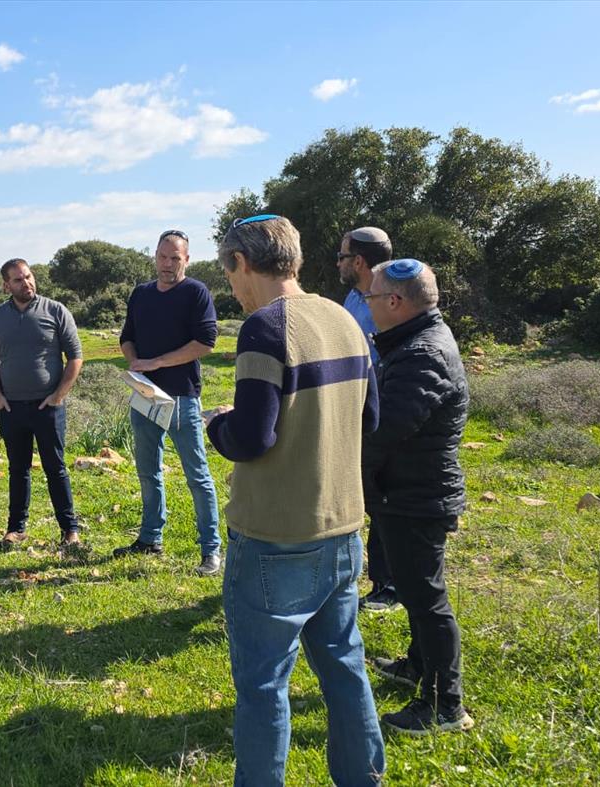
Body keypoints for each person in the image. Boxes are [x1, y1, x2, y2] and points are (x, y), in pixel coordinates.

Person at [204, 214, 384, 785]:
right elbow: (371, 417)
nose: (230, 288)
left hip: (274, 535)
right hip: (342, 529)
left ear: (242, 264)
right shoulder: (345, 318)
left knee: (262, 686)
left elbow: (253, 439)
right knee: (345, 667)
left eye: (228, 273)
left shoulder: (263, 328)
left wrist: (217, 427)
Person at [361, 258, 475, 735]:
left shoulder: (423, 354)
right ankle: (416, 666)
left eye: (370, 298)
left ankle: (444, 705)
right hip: (403, 491)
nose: (366, 307)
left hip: (417, 495)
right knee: (412, 589)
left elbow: (385, 430)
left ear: (394, 302)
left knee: (427, 599)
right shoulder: (412, 341)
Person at [113, 228, 223, 575]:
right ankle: (150, 538)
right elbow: (127, 337)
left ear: (187, 260)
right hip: (145, 395)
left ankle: (211, 551)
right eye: (162, 256)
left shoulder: (196, 292)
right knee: (148, 471)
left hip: (181, 398)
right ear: (155, 257)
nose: (167, 264)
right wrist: (134, 360)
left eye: (175, 258)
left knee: (197, 476)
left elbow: (206, 342)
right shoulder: (141, 294)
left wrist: (156, 362)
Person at [0, 258, 84, 548]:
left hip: (47, 407)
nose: (26, 283)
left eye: (28, 277)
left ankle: (69, 529)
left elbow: (75, 357)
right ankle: (16, 528)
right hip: (11, 407)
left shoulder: (55, 310)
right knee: (18, 469)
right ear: (6, 285)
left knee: (56, 468)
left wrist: (58, 396)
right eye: (18, 280)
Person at [337, 226, 400, 613]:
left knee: (381, 497)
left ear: (358, 261)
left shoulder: (389, 299)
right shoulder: (354, 296)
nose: (339, 263)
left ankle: (388, 586)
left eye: (343, 257)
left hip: (380, 410)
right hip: (353, 408)